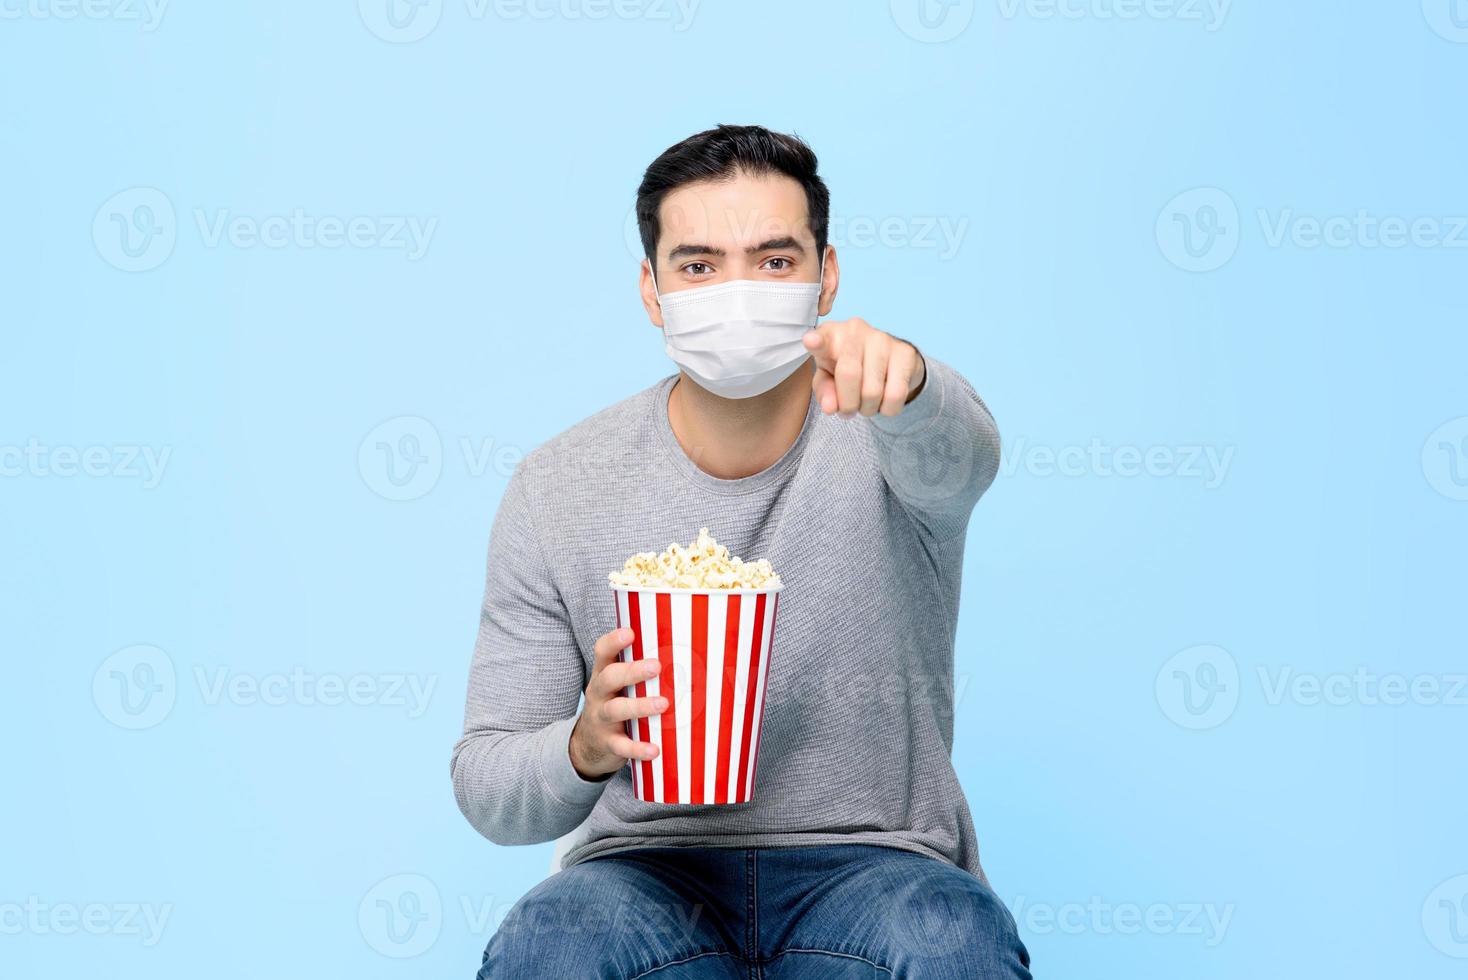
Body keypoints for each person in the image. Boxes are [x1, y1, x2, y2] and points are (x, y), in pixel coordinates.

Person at [452, 124, 1029, 979]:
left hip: (876, 868)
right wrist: (585, 745)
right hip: (642, 874)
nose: (735, 291)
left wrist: (909, 379)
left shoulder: (894, 437)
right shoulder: (558, 486)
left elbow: (967, 456)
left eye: (773, 260)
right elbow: (487, 780)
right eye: (697, 265)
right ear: (651, 290)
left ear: (825, 274)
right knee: (553, 943)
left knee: (950, 943)